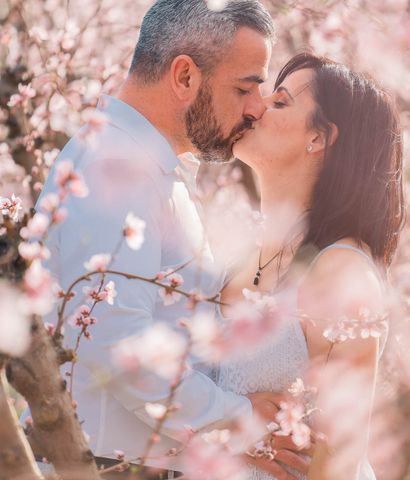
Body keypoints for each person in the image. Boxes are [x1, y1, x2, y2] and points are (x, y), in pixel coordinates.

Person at [32, 1, 307, 477]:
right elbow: (118, 342)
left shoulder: (154, 167)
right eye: (245, 87)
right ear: (184, 77)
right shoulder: (114, 167)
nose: (256, 107)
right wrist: (239, 416)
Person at [212, 52, 405, 479]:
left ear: (319, 138)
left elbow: (339, 459)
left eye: (279, 102)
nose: (256, 106)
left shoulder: (339, 273)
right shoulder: (237, 259)